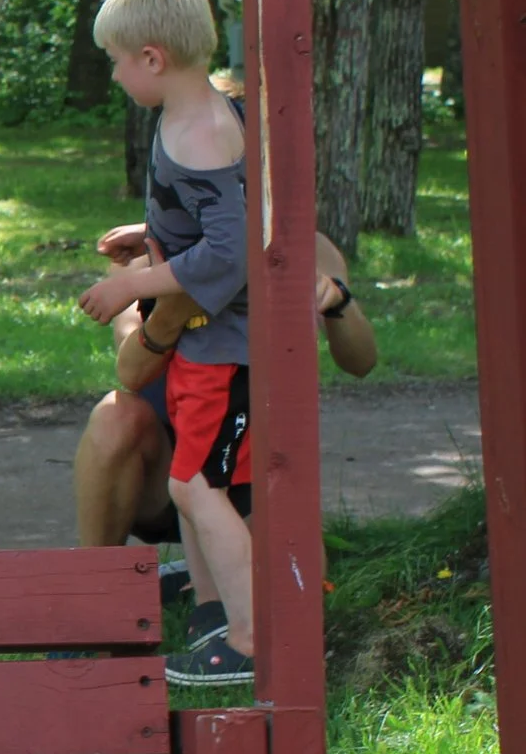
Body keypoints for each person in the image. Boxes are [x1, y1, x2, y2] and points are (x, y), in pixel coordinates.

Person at [76, 0, 269, 687]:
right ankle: (216, 609)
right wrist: (155, 227)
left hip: (223, 348)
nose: (119, 76)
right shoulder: (203, 114)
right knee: (195, 481)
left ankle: (250, 639)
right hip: (206, 344)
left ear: (151, 58)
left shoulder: (199, 132)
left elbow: (230, 251)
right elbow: (215, 215)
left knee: (197, 486)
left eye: (118, 62)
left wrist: (135, 284)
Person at [72, 231, 378, 645]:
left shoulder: (307, 246)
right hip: (168, 463)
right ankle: (95, 594)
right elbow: (131, 372)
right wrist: (172, 307)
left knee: (296, 588)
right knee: (114, 416)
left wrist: (338, 300)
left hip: (249, 460)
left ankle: (212, 584)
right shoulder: (144, 259)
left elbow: (361, 362)